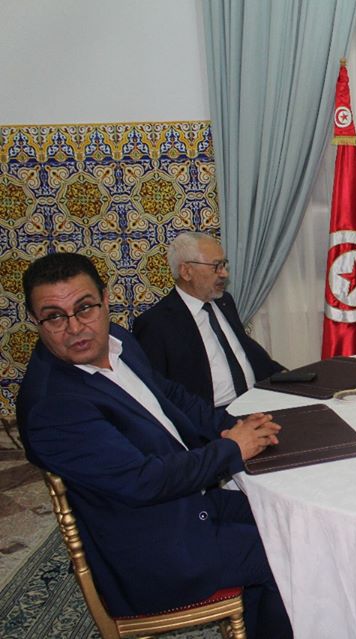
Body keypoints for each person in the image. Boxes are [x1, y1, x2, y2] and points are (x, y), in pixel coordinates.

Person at [16, 252, 293, 638]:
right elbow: (143, 481)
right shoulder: (53, 407)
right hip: (157, 549)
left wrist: (235, 426)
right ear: (36, 321)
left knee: (291, 518)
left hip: (188, 504)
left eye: (85, 308)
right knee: (292, 556)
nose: (75, 327)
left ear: (105, 299)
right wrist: (232, 449)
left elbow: (173, 397)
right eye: (54, 316)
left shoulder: (118, 341)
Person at [133, 232, 283, 407]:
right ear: (186, 271)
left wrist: (286, 377)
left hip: (259, 399)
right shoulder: (156, 324)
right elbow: (159, 393)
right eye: (216, 266)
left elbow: (245, 350)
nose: (224, 273)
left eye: (224, 264)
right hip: (213, 418)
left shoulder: (224, 301)